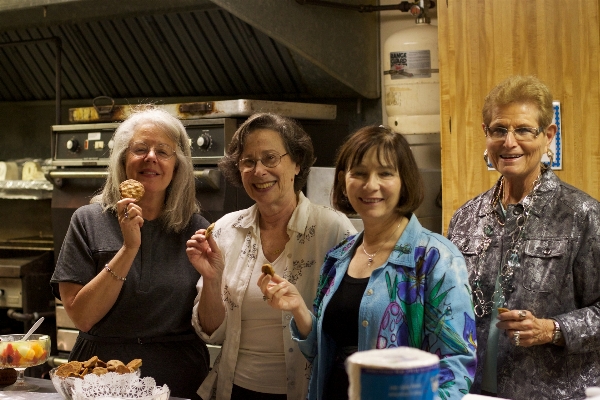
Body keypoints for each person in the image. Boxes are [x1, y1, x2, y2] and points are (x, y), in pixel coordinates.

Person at [259, 125, 477, 400]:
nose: (370, 185)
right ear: (343, 180)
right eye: (359, 173)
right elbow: (321, 352)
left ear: (404, 180)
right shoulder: (338, 257)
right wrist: (298, 309)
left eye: (385, 173)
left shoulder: (435, 259)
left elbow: (457, 365)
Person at [447, 75, 600, 399]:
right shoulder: (464, 218)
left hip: (553, 393)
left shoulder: (583, 215)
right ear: (486, 135)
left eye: (523, 130)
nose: (509, 141)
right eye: (499, 130)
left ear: (548, 136)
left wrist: (553, 329)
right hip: (472, 392)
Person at [186, 112, 356, 400]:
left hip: (308, 391)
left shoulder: (333, 231)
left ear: (297, 162)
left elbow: (348, 331)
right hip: (234, 390)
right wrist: (211, 280)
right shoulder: (226, 230)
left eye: (270, 158)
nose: (258, 171)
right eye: (248, 162)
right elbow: (211, 333)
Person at [50, 107, 210, 400]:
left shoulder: (197, 229)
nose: (151, 157)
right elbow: (82, 317)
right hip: (101, 377)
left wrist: (216, 277)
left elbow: (212, 324)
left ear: (178, 166)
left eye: (163, 151)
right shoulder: (88, 220)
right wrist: (129, 248)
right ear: (123, 161)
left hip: (178, 377)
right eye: (140, 149)